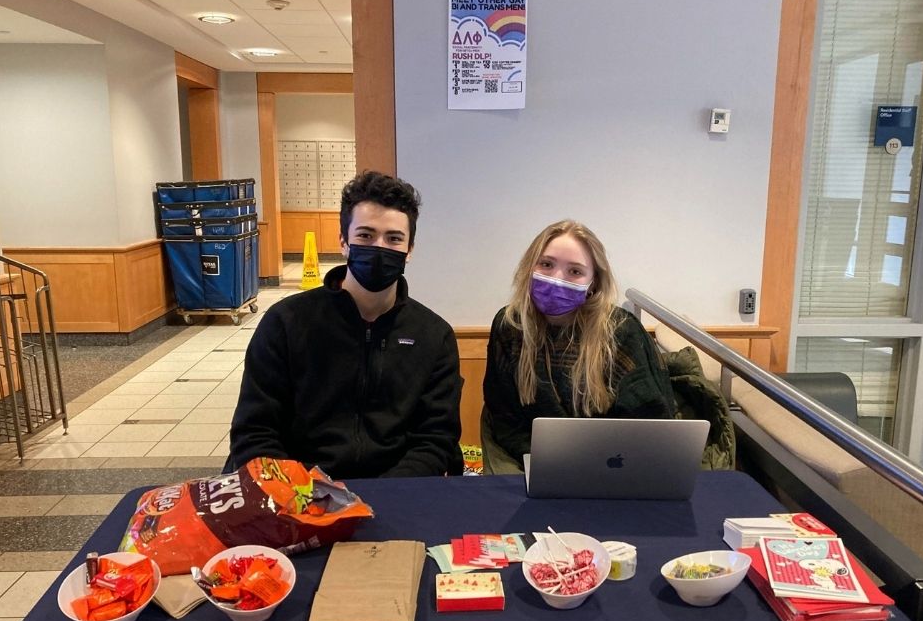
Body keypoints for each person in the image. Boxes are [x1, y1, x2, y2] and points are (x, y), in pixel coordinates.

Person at [227, 171, 464, 479]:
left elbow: (435, 440)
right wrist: (300, 494)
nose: (380, 247)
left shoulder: (434, 335)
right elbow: (255, 432)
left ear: (410, 250)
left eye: (393, 239)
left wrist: (384, 498)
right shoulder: (286, 322)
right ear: (343, 242)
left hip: (396, 495)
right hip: (300, 496)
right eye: (365, 235)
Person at [482, 220, 676, 470]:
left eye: (575, 271)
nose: (556, 279)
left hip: (611, 464)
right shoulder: (510, 325)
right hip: (532, 459)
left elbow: (651, 423)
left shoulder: (621, 331)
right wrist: (543, 461)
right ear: (530, 266)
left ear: (593, 282)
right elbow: (503, 415)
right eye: (546, 264)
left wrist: (599, 465)